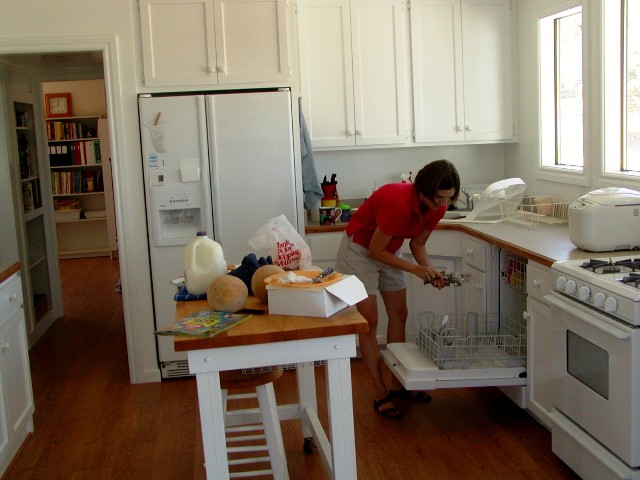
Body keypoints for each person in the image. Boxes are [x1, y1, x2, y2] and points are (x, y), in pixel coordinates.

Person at [334, 159, 460, 419]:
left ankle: (398, 383)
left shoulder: (438, 207)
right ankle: (380, 391)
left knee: (399, 315)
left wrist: (431, 270)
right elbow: (374, 250)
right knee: (369, 321)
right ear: (424, 189)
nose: (441, 204)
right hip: (360, 249)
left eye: (446, 198)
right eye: (438, 197)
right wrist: (415, 270)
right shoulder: (398, 201)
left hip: (389, 250)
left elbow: (418, 245)